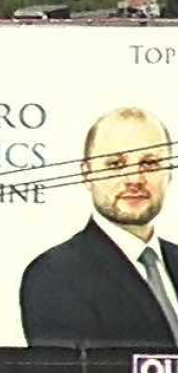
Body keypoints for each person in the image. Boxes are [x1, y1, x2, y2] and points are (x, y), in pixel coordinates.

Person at [19, 108, 178, 345]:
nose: (134, 178)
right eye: (115, 164)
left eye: (151, 163)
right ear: (87, 174)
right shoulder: (56, 275)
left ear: (170, 173)